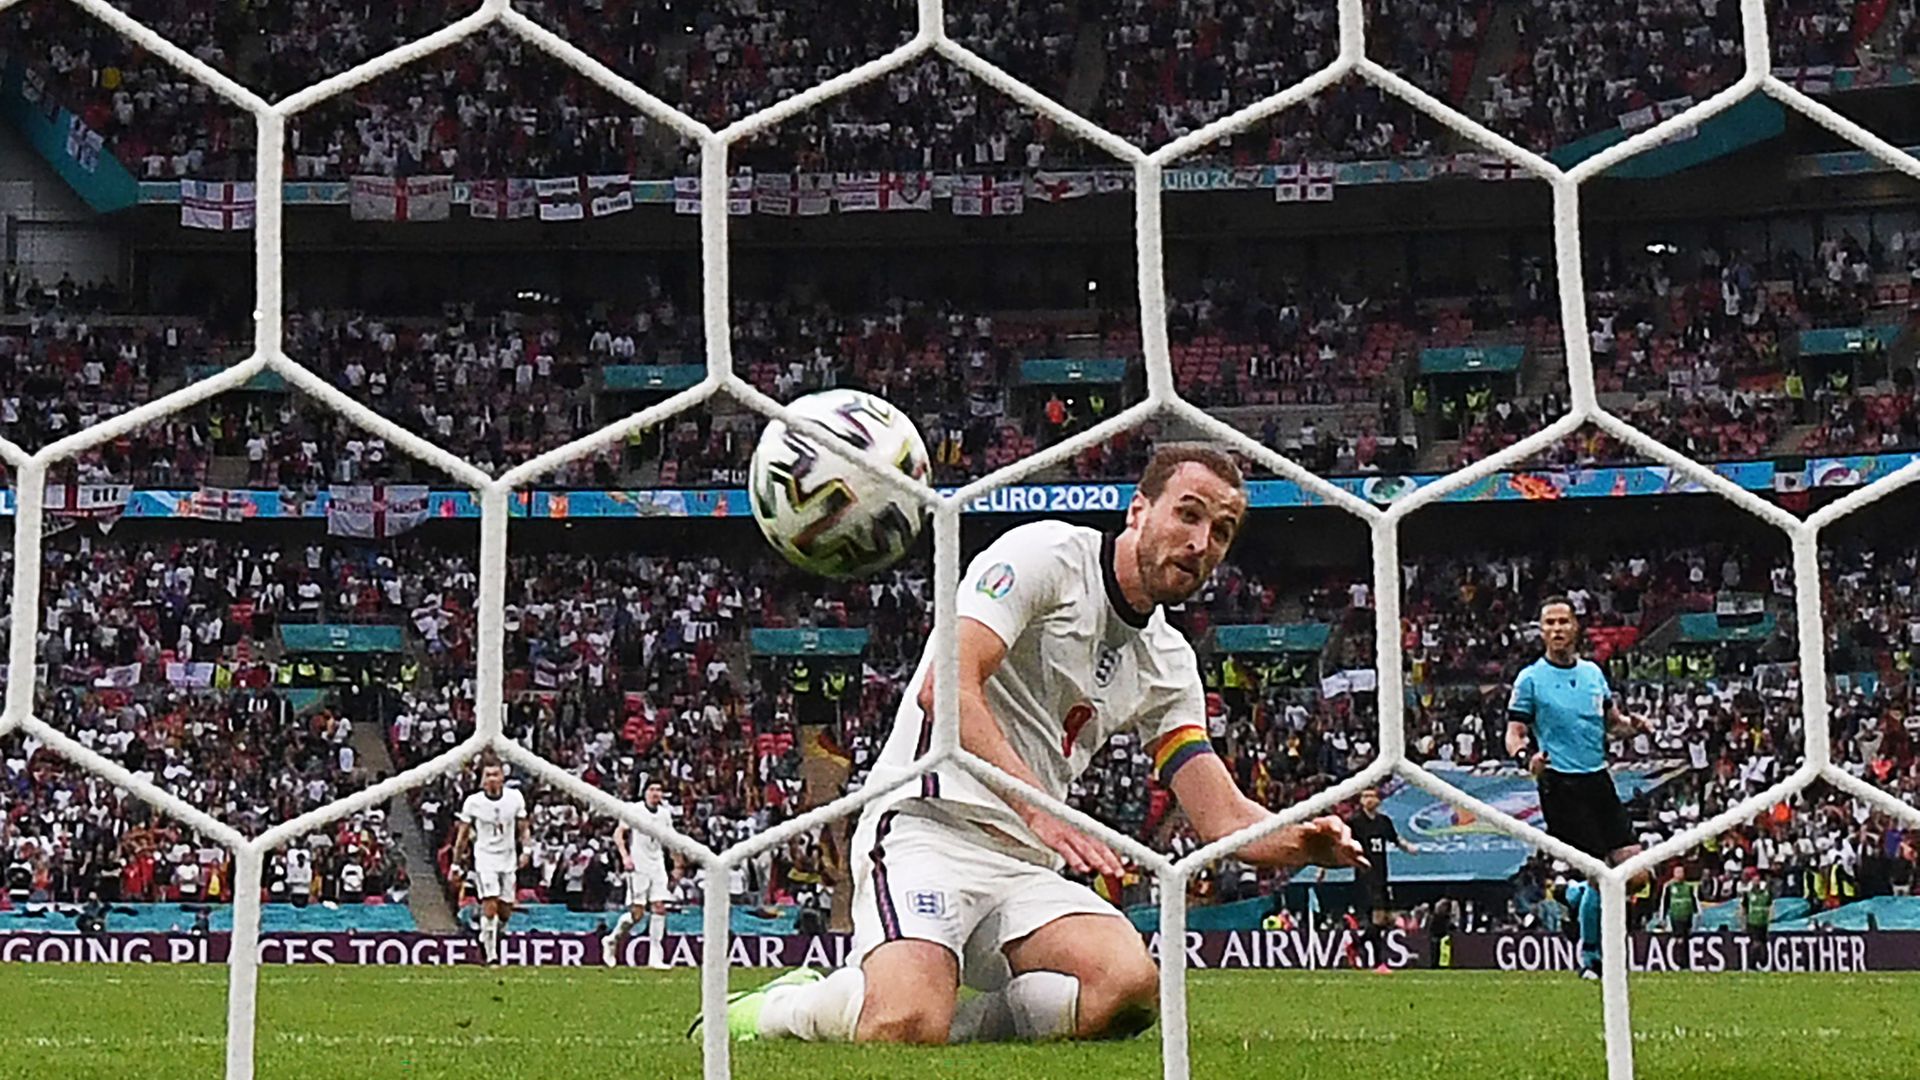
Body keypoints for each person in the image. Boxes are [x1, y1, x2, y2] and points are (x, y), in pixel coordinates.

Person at [709, 445, 1367, 1045]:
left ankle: (948, 1025)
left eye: (1221, 531)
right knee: (904, 1021)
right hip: (927, 829)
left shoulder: (1167, 658)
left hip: (1022, 863)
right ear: (1139, 510)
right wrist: (1037, 807)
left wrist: (1297, 839)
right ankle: (777, 1010)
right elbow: (947, 689)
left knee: (1129, 989)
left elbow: (1221, 817)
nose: (1201, 543)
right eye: (1187, 515)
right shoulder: (1045, 557)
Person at [1505, 596, 1654, 980]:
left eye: (1562, 622)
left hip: (1599, 781)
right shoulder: (1530, 680)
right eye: (1549, 623)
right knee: (1602, 875)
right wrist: (1527, 760)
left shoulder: (1592, 674)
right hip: (1562, 786)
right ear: (1541, 631)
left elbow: (1611, 723)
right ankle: (1592, 960)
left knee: (1636, 876)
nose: (1556, 629)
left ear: (1575, 628)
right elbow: (1514, 732)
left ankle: (1572, 897)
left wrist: (1633, 727)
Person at [455, 756, 530, 966]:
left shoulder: (515, 798)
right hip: (485, 857)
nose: (492, 779)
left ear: (503, 777)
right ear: (482, 779)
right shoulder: (473, 802)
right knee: (490, 903)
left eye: (496, 774)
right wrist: (455, 863)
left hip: (508, 858)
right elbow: (462, 836)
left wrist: (527, 850)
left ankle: (489, 935)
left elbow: (523, 826)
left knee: (505, 910)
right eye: (488, 775)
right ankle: (491, 956)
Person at [603, 781, 680, 970]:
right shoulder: (634, 810)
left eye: (659, 790)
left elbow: (671, 840)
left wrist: (677, 864)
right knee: (637, 914)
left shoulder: (664, 814)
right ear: (644, 792)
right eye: (652, 789)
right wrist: (625, 857)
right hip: (638, 865)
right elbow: (618, 834)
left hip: (657, 864)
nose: (656, 793)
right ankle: (612, 939)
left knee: (659, 907)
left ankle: (655, 958)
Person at [1345, 786, 1416, 972]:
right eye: (1365, 796)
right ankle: (1378, 962)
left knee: (1382, 921)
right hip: (1365, 875)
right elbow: (1342, 843)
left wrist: (1408, 848)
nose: (1368, 799)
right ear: (1360, 801)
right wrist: (1323, 869)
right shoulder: (1355, 822)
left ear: (1379, 800)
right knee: (1378, 918)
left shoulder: (1383, 822)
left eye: (1372, 796)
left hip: (1382, 874)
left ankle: (1358, 946)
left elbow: (1395, 839)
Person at [1659, 864, 1698, 967]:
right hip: (1675, 917)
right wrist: (1662, 918)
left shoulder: (1689, 887)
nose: (1679, 874)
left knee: (1687, 939)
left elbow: (1694, 901)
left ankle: (1687, 962)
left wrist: (1697, 914)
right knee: (1679, 940)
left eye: (1681, 872)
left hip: (1688, 916)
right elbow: (1665, 903)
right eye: (1677, 872)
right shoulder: (1669, 887)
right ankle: (1679, 962)